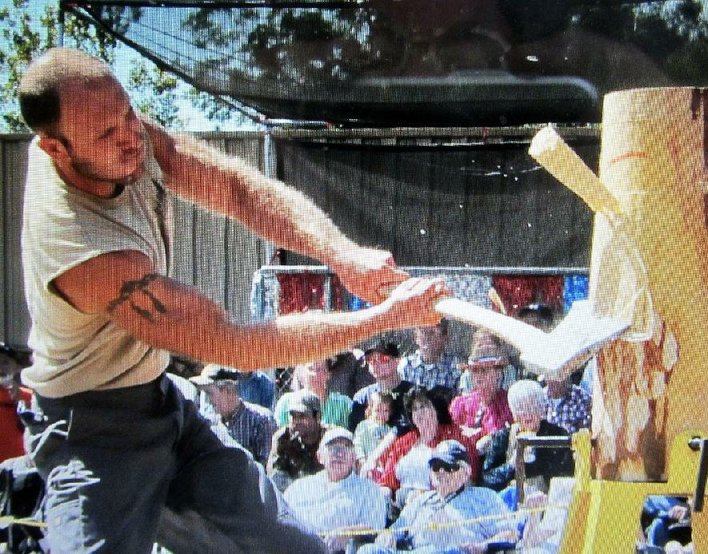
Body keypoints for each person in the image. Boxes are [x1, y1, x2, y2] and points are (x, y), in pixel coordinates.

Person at [17, 47, 448, 554]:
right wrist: (385, 318)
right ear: (56, 150)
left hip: (163, 404)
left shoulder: (127, 134)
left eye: (129, 114)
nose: (132, 138)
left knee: (291, 550)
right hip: (89, 435)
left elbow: (239, 190)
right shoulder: (84, 253)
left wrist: (344, 256)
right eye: (107, 135)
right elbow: (237, 344)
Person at [358, 440, 518, 554]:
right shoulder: (421, 501)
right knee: (368, 550)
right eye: (436, 466)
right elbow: (395, 531)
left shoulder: (484, 497)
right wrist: (388, 536)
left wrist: (483, 546)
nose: (441, 472)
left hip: (454, 551)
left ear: (466, 472)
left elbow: (510, 534)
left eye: (449, 467)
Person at [371, 386, 479, 508]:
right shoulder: (403, 442)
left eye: (424, 406)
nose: (419, 413)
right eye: (415, 409)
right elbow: (387, 482)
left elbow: (470, 480)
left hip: (443, 505)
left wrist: (425, 496)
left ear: (436, 409)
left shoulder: (455, 437)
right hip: (403, 506)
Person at [283, 428, 388, 553]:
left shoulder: (369, 490)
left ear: (354, 457)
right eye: (333, 447)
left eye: (346, 447)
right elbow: (280, 519)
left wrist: (347, 532)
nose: (339, 453)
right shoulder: (299, 488)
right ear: (320, 456)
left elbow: (375, 528)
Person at [481, 380, 573, 508]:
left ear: (541, 409)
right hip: (512, 504)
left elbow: (565, 475)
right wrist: (512, 464)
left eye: (532, 406)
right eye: (520, 408)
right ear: (513, 413)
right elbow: (488, 479)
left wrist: (539, 456)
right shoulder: (503, 437)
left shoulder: (557, 434)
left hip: (547, 503)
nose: (526, 413)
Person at [190, 364, 278, 466]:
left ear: (228, 391)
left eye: (209, 393)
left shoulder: (261, 420)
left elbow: (266, 470)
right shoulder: (210, 423)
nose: (208, 401)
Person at [268, 390, 331, 492]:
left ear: (317, 417)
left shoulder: (330, 438)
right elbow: (275, 477)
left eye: (302, 416)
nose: (296, 421)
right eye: (293, 416)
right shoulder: (283, 439)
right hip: (294, 496)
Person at [449, 341, 513, 441]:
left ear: (498, 373)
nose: (479, 376)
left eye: (484, 370)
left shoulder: (508, 404)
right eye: (474, 371)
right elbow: (450, 432)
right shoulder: (461, 403)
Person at [349, 340, 414, 434]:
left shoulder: (412, 392)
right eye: (371, 359)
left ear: (397, 360)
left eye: (383, 358)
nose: (376, 363)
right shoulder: (361, 398)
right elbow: (354, 433)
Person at [276, 357, 353, 428]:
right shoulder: (286, 403)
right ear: (302, 373)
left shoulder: (344, 405)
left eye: (319, 369)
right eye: (310, 369)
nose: (314, 374)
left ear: (328, 375)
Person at [398, 320, 462, 393]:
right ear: (416, 338)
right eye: (423, 332)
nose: (427, 338)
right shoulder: (405, 365)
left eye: (432, 333)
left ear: (445, 338)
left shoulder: (455, 367)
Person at [354, 391, 395, 467]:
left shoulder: (390, 430)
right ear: (370, 410)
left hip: (383, 465)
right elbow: (358, 443)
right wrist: (361, 458)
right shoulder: (364, 425)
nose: (381, 415)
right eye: (377, 410)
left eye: (385, 411)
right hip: (366, 462)